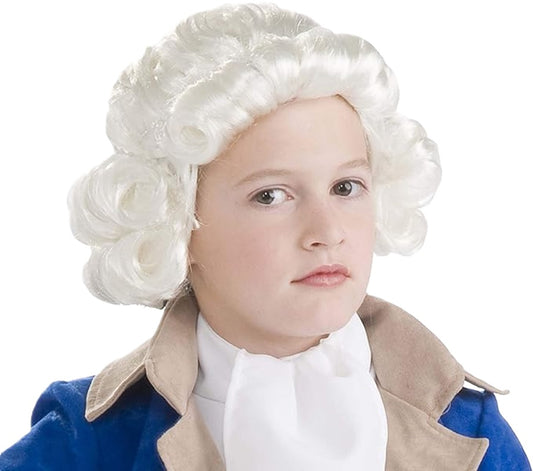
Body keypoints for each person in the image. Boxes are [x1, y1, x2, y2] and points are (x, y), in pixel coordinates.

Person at [0, 2, 530, 470]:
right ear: (175, 220)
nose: (326, 232)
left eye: (345, 187)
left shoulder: (469, 428)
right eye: (271, 196)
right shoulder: (88, 443)